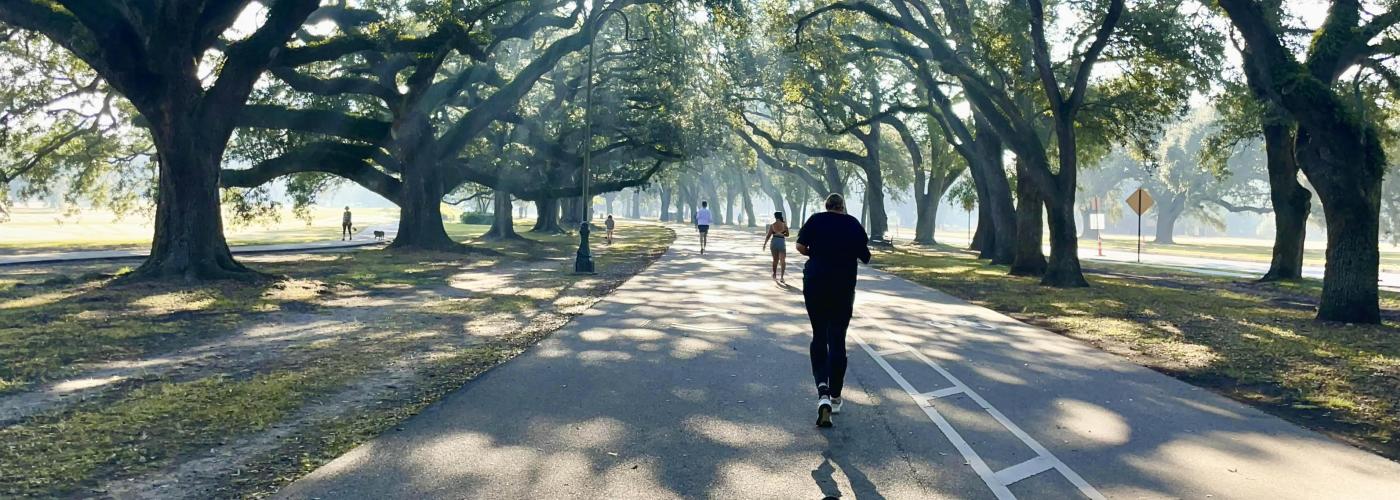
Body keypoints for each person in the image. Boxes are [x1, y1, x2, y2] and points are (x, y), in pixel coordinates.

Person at [796, 193, 870, 428]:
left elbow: (800, 245)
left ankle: (823, 392)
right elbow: (865, 256)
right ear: (842, 207)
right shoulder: (852, 224)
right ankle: (836, 396)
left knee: (819, 335)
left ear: (826, 206)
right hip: (843, 287)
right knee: (837, 338)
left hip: (815, 283)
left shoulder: (816, 220)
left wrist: (816, 254)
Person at [761, 212, 790, 282]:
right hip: (781, 242)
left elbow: (768, 236)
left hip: (774, 242)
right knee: (782, 260)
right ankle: (782, 277)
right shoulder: (784, 225)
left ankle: (774, 274)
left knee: (775, 260)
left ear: (775, 217)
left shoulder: (772, 225)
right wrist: (782, 234)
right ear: (781, 216)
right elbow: (787, 235)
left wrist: (764, 244)